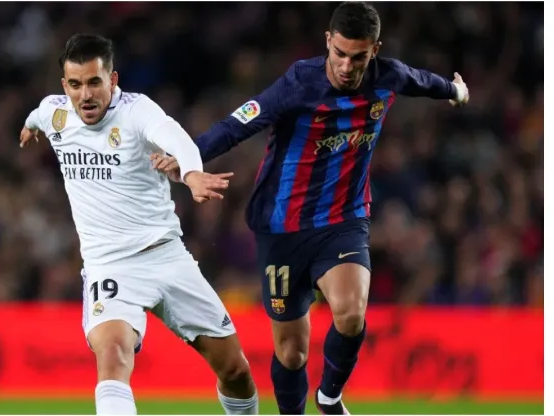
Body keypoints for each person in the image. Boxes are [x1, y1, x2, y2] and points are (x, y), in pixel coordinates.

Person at [151, 2, 469, 414]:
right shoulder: (299, 82)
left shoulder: (387, 76)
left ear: (374, 50)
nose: (347, 66)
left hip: (343, 219)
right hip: (282, 227)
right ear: (327, 43)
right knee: (292, 354)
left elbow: (424, 81)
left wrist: (455, 90)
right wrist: (189, 159)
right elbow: (237, 123)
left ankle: (330, 397)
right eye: (339, 53)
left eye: (358, 57)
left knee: (351, 314)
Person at [20, 33, 259, 415]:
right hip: (110, 267)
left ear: (112, 81)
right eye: (76, 85)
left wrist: (193, 172)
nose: (86, 95)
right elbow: (37, 115)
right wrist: (30, 128)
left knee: (234, 369)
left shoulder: (136, 111)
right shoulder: (54, 113)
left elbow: (174, 136)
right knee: (113, 356)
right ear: (65, 86)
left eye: (95, 82)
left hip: (166, 257)